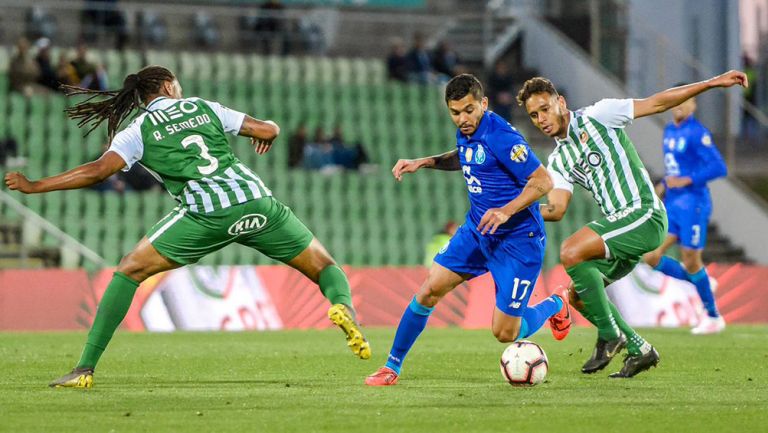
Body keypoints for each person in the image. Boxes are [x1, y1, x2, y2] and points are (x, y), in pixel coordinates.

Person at [4, 65, 371, 388]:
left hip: (206, 215)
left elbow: (99, 170)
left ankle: (84, 368)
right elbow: (269, 129)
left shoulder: (137, 130)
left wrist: (37, 185)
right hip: (258, 204)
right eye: (175, 84)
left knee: (129, 270)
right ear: (166, 86)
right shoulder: (202, 106)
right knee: (325, 267)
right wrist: (265, 134)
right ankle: (343, 307)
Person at [518, 70, 747, 378]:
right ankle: (640, 349)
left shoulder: (600, 115)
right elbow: (557, 209)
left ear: (560, 102)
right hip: (622, 228)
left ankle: (612, 336)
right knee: (577, 295)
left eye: (545, 109)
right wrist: (516, 211)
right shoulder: (559, 160)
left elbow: (656, 103)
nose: (541, 119)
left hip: (644, 213)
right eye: (534, 115)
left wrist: (710, 83)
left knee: (571, 250)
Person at [365, 74, 571, 387]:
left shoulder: (503, 136)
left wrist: (505, 211)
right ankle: (391, 366)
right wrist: (425, 161)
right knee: (429, 290)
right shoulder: (469, 132)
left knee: (505, 333)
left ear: (484, 104)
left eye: (469, 110)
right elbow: (465, 157)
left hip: (518, 241)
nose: (462, 119)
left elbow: (543, 182)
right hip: (476, 232)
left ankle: (556, 304)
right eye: (455, 112)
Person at [641, 91, 728, 334]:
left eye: (685, 101)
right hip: (673, 204)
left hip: (693, 203)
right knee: (651, 255)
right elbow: (674, 169)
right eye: (676, 101)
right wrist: (664, 185)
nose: (679, 106)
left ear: (693, 105)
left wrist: (688, 179)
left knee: (691, 260)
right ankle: (701, 282)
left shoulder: (697, 132)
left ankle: (713, 316)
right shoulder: (670, 131)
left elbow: (719, 167)